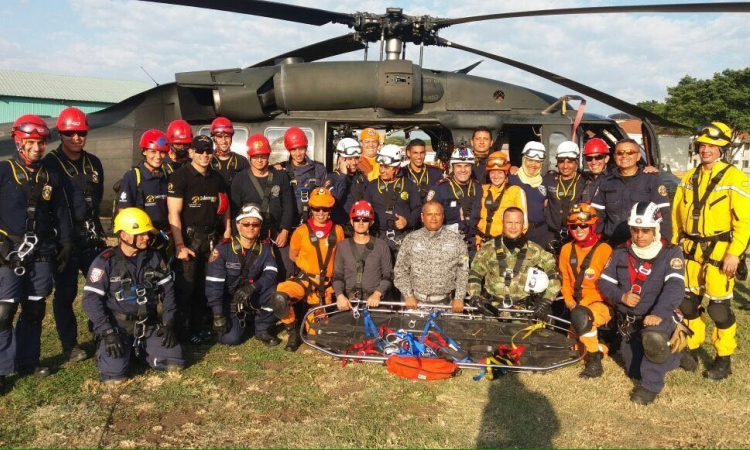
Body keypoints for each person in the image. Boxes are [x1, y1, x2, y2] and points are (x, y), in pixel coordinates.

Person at [672, 122, 750, 379]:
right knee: (688, 304)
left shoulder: (735, 178)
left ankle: (723, 358)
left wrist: (735, 253)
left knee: (719, 309)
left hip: (720, 253)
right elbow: (676, 216)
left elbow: (744, 221)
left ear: (722, 149)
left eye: (712, 146)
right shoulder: (688, 177)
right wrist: (674, 246)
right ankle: (691, 348)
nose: (706, 150)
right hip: (689, 250)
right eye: (703, 145)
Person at [0, 115, 72, 386]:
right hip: (8, 250)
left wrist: (65, 242)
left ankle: (28, 360)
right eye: (31, 142)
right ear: (19, 141)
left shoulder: (51, 175)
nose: (37, 148)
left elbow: (61, 211)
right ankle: (1, 366)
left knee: (34, 309)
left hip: (41, 249)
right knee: (4, 312)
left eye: (41, 143)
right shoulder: (4, 171)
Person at [82, 208, 183, 384]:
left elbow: (168, 292)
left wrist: (168, 322)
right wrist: (107, 332)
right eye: (141, 234)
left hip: (147, 324)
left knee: (175, 363)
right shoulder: (105, 262)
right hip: (117, 327)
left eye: (147, 233)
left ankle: (142, 350)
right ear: (124, 235)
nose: (147, 237)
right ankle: (105, 351)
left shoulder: (154, 258)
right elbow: (91, 300)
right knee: (114, 378)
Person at [597, 202, 685, 405]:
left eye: (646, 230)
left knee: (653, 339)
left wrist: (659, 313)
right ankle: (674, 357)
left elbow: (675, 288)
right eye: (635, 230)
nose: (640, 235)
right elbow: (604, 281)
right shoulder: (620, 251)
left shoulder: (671, 253)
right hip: (631, 318)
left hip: (657, 316)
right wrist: (621, 296)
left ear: (656, 229)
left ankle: (651, 386)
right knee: (634, 371)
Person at [44, 107, 104, 363]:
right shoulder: (50, 165)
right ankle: (70, 345)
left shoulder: (94, 162)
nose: (76, 138)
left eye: (81, 132)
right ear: (60, 133)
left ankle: (101, 333)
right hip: (65, 240)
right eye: (70, 133)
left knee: (100, 289)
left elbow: (98, 197)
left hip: (91, 237)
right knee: (66, 294)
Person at [167, 135, 232, 343]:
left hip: (211, 239)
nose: (205, 155)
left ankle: (197, 329)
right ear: (191, 152)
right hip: (188, 240)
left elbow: (225, 206)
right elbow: (173, 214)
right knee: (186, 288)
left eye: (208, 150)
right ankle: (180, 331)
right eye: (200, 150)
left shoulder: (217, 178)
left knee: (204, 286)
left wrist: (228, 231)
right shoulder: (180, 177)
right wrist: (179, 245)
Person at [270, 187, 345, 352]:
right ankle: (292, 332)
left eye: (325, 209)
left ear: (330, 210)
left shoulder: (338, 231)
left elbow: (342, 258)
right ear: (310, 209)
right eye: (316, 208)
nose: (320, 212)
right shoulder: (301, 231)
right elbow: (293, 255)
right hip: (304, 280)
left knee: (316, 338)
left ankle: (312, 325)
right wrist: (308, 269)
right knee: (280, 297)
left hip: (324, 287)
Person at [205, 204, 280, 347]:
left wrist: (253, 286)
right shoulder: (224, 248)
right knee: (231, 339)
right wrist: (217, 314)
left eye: (255, 224)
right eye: (246, 224)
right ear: (238, 225)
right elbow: (213, 285)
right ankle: (233, 320)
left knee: (276, 294)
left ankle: (262, 329)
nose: (251, 228)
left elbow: (271, 274)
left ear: (260, 226)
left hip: (252, 293)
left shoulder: (265, 247)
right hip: (230, 299)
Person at [467, 207, 560, 318]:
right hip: (491, 313)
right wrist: (475, 296)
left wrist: (546, 301)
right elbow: (474, 275)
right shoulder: (488, 248)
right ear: (503, 223)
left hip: (523, 314)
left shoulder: (535, 250)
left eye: (517, 223)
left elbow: (555, 277)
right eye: (509, 222)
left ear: (523, 224)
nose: (513, 227)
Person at [558, 203, 613, 378]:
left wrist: (582, 305)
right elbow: (565, 281)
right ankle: (602, 347)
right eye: (574, 226)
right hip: (577, 305)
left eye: (583, 226)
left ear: (592, 226)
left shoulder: (605, 250)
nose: (578, 230)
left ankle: (595, 365)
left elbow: (609, 287)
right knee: (575, 353)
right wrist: (569, 301)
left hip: (600, 304)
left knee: (583, 318)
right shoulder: (566, 250)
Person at [230, 134, 294, 278]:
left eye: (263, 156)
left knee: (286, 270)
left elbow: (289, 205)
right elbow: (234, 211)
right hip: (249, 233)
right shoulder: (240, 179)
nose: (260, 160)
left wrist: (285, 231)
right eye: (256, 156)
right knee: (251, 271)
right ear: (249, 156)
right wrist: (239, 239)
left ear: (268, 155)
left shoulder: (280, 176)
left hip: (276, 233)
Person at [592, 138, 672, 247]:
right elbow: (597, 216)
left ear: (638, 156)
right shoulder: (605, 181)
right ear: (615, 157)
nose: (624, 156)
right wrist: (596, 242)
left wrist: (664, 242)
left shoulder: (652, 180)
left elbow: (664, 214)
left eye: (630, 152)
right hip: (612, 245)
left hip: (643, 246)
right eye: (620, 153)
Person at [393, 201, 469, 311]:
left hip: (446, 305)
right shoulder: (410, 239)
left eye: (437, 214)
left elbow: (463, 271)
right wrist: (408, 295)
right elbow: (400, 270)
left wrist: (459, 297)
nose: (433, 218)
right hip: (416, 304)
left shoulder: (457, 241)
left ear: (443, 217)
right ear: (422, 217)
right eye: (429, 214)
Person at [116, 130, 171, 254]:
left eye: (162, 152)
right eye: (153, 151)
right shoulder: (133, 176)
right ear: (144, 151)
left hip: (162, 238)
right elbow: (123, 212)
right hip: (140, 238)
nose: (158, 156)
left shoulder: (166, 176)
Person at [333, 201, 393, 311]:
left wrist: (377, 294)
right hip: (348, 302)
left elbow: (388, 275)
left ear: (371, 222)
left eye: (365, 219)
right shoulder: (343, 246)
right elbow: (337, 275)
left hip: (374, 303)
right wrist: (339, 295)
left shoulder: (381, 246)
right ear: (351, 221)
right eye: (357, 219)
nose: (360, 223)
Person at [363, 144, 421, 255]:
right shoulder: (372, 186)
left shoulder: (409, 185)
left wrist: (407, 220)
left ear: (397, 168)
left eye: (386, 167)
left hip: (402, 237)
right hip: (377, 237)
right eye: (381, 166)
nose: (382, 170)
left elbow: (418, 209)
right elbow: (365, 210)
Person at [426, 146, 483, 256]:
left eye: (467, 166)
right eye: (459, 166)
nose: (463, 170)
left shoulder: (478, 188)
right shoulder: (440, 189)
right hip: (446, 247)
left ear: (472, 167)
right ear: (453, 167)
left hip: (472, 247)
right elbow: (428, 221)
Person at [473, 151, 527, 249]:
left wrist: (512, 244)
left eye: (499, 172)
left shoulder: (516, 191)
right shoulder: (482, 190)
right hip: (481, 245)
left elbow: (524, 224)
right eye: (493, 172)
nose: (496, 176)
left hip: (504, 246)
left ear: (506, 173)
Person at [278, 127, 328, 226]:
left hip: (314, 223)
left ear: (306, 148)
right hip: (288, 224)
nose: (298, 154)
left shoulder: (319, 169)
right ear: (288, 150)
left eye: (301, 149)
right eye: (293, 150)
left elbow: (326, 197)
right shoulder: (281, 170)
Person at [543, 141, 585, 255]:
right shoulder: (549, 179)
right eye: (561, 161)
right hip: (552, 234)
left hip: (575, 234)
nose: (565, 166)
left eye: (570, 162)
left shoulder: (585, 182)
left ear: (576, 163)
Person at [509, 141, 553, 250]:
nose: (533, 164)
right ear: (524, 159)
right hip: (518, 230)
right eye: (530, 160)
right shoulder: (512, 178)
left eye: (538, 161)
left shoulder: (545, 182)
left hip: (540, 231)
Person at [327, 138, 369, 230]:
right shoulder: (331, 178)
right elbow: (334, 199)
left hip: (358, 227)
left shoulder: (362, 178)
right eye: (349, 159)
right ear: (340, 158)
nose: (354, 162)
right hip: (340, 227)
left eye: (356, 158)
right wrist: (343, 175)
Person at [209, 116, 250, 188]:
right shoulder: (208, 160)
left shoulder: (242, 161)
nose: (224, 141)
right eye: (219, 137)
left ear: (231, 138)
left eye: (227, 136)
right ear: (214, 138)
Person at [404, 138, 443, 203]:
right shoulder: (402, 173)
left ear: (425, 153)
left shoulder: (435, 173)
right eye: (415, 153)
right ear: (408, 153)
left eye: (421, 153)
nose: (419, 157)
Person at [580, 138, 611, 203]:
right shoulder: (584, 181)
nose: (593, 162)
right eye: (589, 158)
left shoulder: (613, 181)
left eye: (598, 157)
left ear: (606, 159)